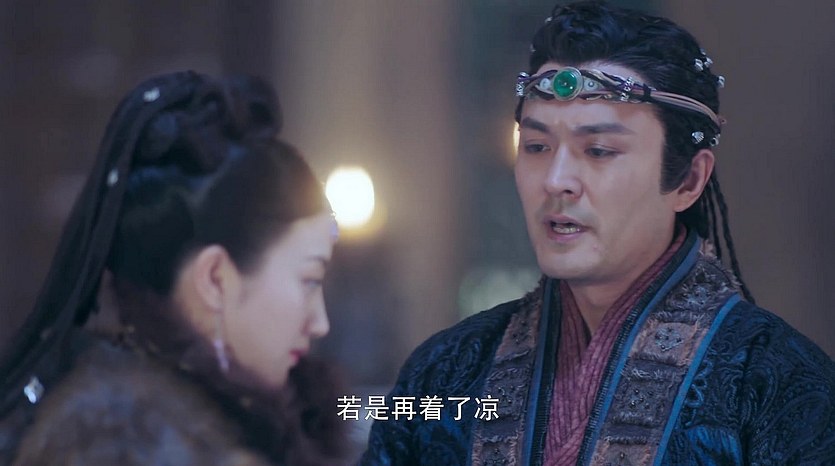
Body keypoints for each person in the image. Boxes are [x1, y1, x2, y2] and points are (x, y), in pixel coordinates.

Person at [360, 2, 835, 464]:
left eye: (599, 150)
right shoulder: (444, 374)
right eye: (537, 146)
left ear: (688, 180)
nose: (556, 180)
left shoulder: (776, 383)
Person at [0, 71, 349, 465]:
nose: (320, 323)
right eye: (309, 280)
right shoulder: (119, 447)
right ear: (215, 279)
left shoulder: (245, 427)